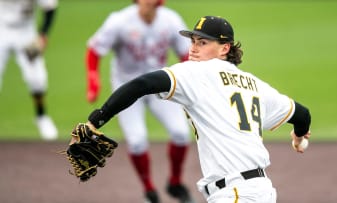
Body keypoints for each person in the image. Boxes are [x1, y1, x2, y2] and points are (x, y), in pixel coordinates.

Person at [80, 15, 311, 203]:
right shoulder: (254, 84)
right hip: (261, 192)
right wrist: (298, 138)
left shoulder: (197, 72)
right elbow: (302, 114)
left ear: (224, 48)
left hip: (235, 195)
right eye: (192, 41)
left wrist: (96, 120)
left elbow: (142, 84)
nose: (193, 48)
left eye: (203, 42)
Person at [84, 0, 194, 202]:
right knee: (137, 141)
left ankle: (175, 184)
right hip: (127, 87)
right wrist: (93, 81)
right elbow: (94, 50)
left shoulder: (170, 20)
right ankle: (150, 190)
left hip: (159, 83)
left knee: (181, 133)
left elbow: (186, 54)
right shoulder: (119, 21)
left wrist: (192, 83)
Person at [0, 0, 58, 140]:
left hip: (26, 32)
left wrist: (43, 35)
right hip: (2, 29)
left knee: (37, 78)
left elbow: (50, 8)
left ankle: (41, 116)